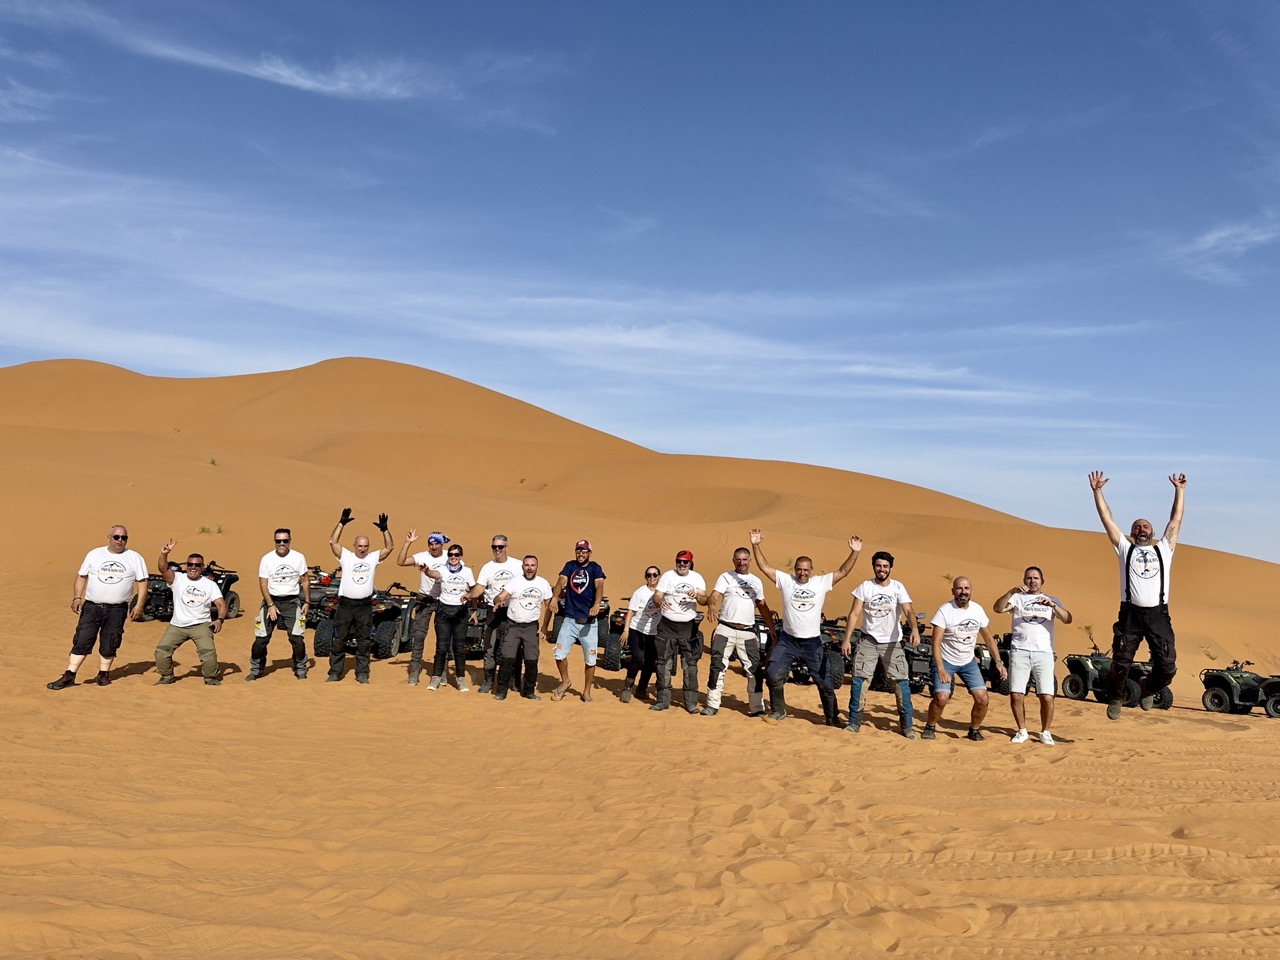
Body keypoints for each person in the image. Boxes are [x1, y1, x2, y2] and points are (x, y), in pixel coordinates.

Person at [1089, 471, 1186, 720]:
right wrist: (1097, 492)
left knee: (1167, 667)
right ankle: (1117, 697)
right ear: (1131, 532)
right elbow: (1107, 520)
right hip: (1130, 614)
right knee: (1121, 663)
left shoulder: (1165, 548)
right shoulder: (1124, 548)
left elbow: (1176, 518)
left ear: (1153, 531)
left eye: (1145, 526)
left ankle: (1148, 688)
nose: (1141, 529)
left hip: (1158, 615)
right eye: (1136, 526)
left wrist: (1180, 491)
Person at [749, 528, 862, 725]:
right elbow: (764, 567)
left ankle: (832, 717)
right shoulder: (786, 581)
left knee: (825, 682)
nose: (802, 573)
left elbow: (843, 571)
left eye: (806, 570)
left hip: (812, 642)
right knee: (773, 674)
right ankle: (778, 710)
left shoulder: (821, 582)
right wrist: (755, 545)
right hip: (788, 640)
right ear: (795, 570)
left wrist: (855, 552)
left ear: (811, 570)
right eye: (799, 569)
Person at [48, 524, 149, 690]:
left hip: (117, 609)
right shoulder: (95, 554)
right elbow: (82, 577)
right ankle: (69, 675)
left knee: (110, 641)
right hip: (92, 607)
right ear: (109, 537)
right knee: (82, 639)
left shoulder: (135, 557)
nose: (120, 540)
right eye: (116, 537)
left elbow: (143, 583)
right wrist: (77, 597)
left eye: (124, 537)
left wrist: (139, 605)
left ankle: (103, 674)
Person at [839, 550, 922, 738]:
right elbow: (854, 614)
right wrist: (846, 639)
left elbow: (908, 611)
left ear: (890, 568)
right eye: (878, 566)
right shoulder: (865, 587)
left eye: (885, 566)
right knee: (859, 681)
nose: (882, 569)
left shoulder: (898, 588)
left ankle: (907, 726)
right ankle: (854, 722)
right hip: (868, 640)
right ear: (873, 567)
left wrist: (914, 629)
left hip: (892, 643)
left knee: (901, 684)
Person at [993, 566, 1072, 745]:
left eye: (1036, 578)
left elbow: (1068, 619)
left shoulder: (1051, 600)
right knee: (1017, 695)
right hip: (1019, 651)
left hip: (1043, 652)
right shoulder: (1017, 598)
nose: (1032, 581)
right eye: (1029, 578)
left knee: (1046, 696)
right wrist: (1009, 592)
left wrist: (1053, 606)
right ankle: (1022, 730)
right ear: (1024, 580)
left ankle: (1045, 731)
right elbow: (997, 609)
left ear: (1042, 581)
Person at [922, 577, 1006, 741]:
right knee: (942, 698)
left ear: (971, 591)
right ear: (953, 591)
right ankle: (930, 726)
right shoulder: (945, 610)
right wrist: (940, 668)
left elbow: (988, 638)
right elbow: (936, 642)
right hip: (946, 660)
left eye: (966, 588)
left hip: (968, 662)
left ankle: (974, 730)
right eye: (959, 588)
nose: (963, 592)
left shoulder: (977, 610)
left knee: (983, 699)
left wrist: (998, 662)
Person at [702, 547, 775, 717]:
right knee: (717, 667)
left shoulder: (756, 581)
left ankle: (756, 707)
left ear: (749, 561)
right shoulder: (725, 577)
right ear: (733, 560)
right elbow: (713, 596)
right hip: (725, 629)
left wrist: (772, 628)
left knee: (754, 670)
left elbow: (763, 607)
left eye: (744, 559)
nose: (741, 563)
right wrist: (712, 605)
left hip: (748, 632)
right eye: (738, 559)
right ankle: (712, 705)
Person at [326, 507, 393, 683]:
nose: (362, 549)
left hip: (364, 605)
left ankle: (362, 673)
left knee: (364, 640)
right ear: (354, 546)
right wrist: (341, 523)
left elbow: (389, 547)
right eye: (359, 546)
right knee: (339, 638)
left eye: (365, 546)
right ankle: (334, 672)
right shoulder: (346, 557)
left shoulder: (372, 558)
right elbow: (333, 542)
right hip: (346, 605)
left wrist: (385, 529)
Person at [153, 541, 227, 685]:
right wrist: (164, 554)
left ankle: (210, 677)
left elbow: (221, 604)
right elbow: (163, 568)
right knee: (161, 651)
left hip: (201, 625)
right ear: (186, 565)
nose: (193, 568)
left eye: (197, 565)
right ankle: (166, 676)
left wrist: (219, 620)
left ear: (202, 567)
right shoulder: (177, 579)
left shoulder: (210, 585)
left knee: (208, 655)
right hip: (177, 625)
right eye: (190, 564)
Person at [651, 550, 710, 713]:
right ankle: (663, 701)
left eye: (685, 562)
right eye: (679, 561)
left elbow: (705, 600)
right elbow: (657, 595)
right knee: (663, 664)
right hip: (667, 626)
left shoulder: (696, 578)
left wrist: (697, 595)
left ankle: (690, 703)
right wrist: (660, 602)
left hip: (688, 628)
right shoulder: (668, 576)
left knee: (690, 666)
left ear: (690, 563)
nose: (682, 564)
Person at [248, 528, 310, 681]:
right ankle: (256, 669)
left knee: (297, 639)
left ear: (290, 541)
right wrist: (270, 605)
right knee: (261, 640)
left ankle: (300, 667)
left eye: (285, 540)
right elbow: (263, 584)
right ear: (274, 541)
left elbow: (305, 580)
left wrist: (307, 601)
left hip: (292, 602)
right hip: (271, 601)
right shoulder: (267, 559)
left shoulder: (298, 557)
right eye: (278, 541)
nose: (282, 544)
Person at [491, 555, 555, 700]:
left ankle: (528, 691)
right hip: (513, 625)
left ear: (537, 567)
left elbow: (548, 607)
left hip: (531, 627)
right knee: (507, 659)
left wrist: (545, 627)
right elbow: (500, 596)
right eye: (526, 565)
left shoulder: (543, 583)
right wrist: (498, 601)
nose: (529, 568)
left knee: (531, 661)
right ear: (522, 567)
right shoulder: (515, 581)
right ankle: (501, 691)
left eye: (532, 565)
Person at [551, 539, 606, 702]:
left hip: (589, 623)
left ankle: (587, 690)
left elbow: (600, 587)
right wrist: (555, 597)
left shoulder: (595, 568)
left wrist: (596, 604)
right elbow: (561, 581)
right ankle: (565, 681)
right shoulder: (570, 566)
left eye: (584, 551)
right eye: (578, 551)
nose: (580, 554)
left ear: (589, 553)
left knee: (590, 660)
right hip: (570, 620)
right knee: (558, 654)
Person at [397, 529, 451, 685]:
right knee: (419, 635)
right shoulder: (421, 556)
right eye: (431, 543)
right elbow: (400, 562)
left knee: (443, 638)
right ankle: (414, 672)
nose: (433, 547)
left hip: (444, 599)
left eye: (436, 544)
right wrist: (408, 543)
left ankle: (441, 672)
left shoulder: (450, 556)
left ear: (442, 544)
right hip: (424, 599)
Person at [421, 543, 476, 691]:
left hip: (461, 613)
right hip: (443, 611)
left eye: (456, 555)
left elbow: (474, 590)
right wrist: (427, 571)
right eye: (451, 554)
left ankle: (460, 679)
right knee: (441, 647)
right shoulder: (442, 570)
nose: (453, 557)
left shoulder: (467, 572)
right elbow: (434, 574)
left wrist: (475, 610)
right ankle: (436, 678)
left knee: (458, 648)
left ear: (460, 556)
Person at [473, 534, 524, 694]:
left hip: (513, 612)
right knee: (489, 648)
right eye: (494, 547)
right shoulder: (487, 567)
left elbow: (526, 584)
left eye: (500, 547)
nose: (497, 550)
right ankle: (488, 681)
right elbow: (479, 588)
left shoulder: (518, 565)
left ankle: (513, 680)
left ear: (506, 548)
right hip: (493, 612)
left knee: (514, 649)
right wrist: (468, 595)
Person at [618, 566, 662, 704]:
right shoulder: (640, 593)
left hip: (654, 632)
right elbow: (630, 612)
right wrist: (626, 630)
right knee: (637, 658)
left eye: (655, 575)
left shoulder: (663, 593)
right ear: (646, 577)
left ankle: (641, 689)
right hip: (637, 629)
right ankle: (627, 687)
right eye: (649, 575)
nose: (652, 577)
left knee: (650, 662)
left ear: (659, 576)